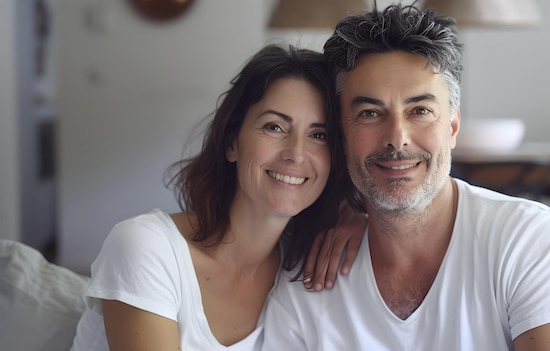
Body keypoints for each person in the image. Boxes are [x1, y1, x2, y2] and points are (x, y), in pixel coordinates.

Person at [262, 3, 550, 350]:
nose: (397, 137)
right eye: (370, 112)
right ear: (341, 134)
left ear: (452, 125)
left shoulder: (529, 241)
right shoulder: (307, 272)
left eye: (420, 110)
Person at [71, 44, 353, 350]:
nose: (296, 154)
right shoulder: (145, 247)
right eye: (274, 127)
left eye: (319, 135)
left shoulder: (305, 272)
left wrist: (359, 218)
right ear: (232, 143)